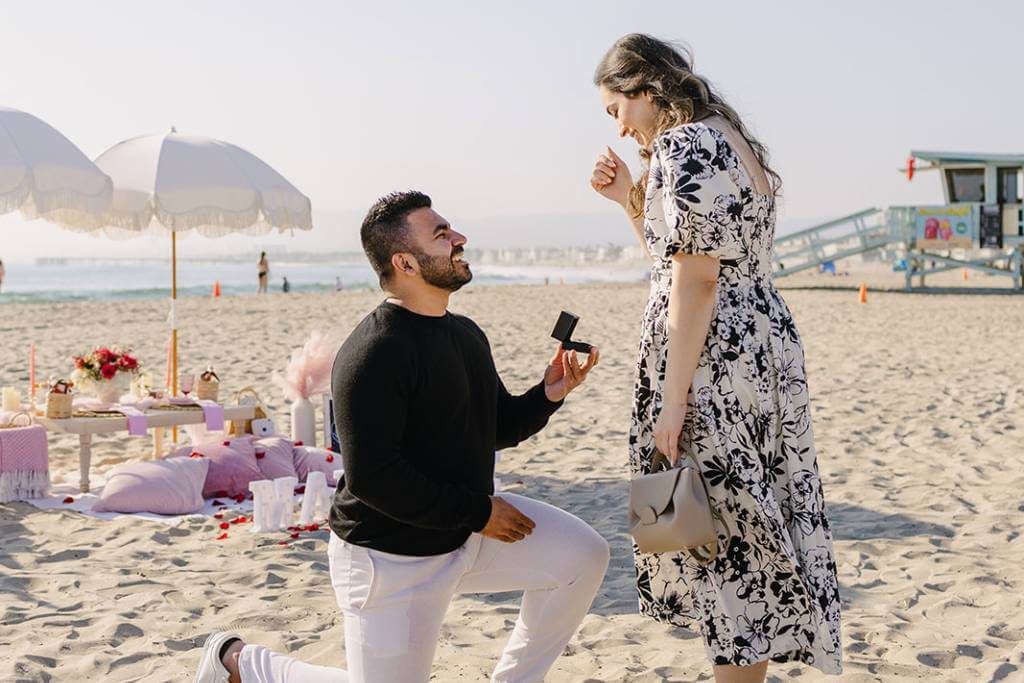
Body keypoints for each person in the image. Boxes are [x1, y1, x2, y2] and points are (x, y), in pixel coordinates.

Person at [194, 191, 608, 683]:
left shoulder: (467, 335)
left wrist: (548, 393)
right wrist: (479, 512)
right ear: (405, 262)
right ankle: (242, 663)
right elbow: (374, 477)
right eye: (442, 235)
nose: (460, 239)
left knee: (583, 556)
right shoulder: (373, 353)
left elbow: (495, 427)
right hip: (388, 559)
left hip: (465, 533)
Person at [590, 34, 842, 681]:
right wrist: (629, 199)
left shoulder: (683, 144)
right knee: (743, 531)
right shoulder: (727, 136)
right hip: (757, 348)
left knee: (721, 538)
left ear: (646, 88)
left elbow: (696, 278)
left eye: (617, 107)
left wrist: (673, 401)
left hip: (714, 362)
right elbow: (685, 257)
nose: (618, 125)